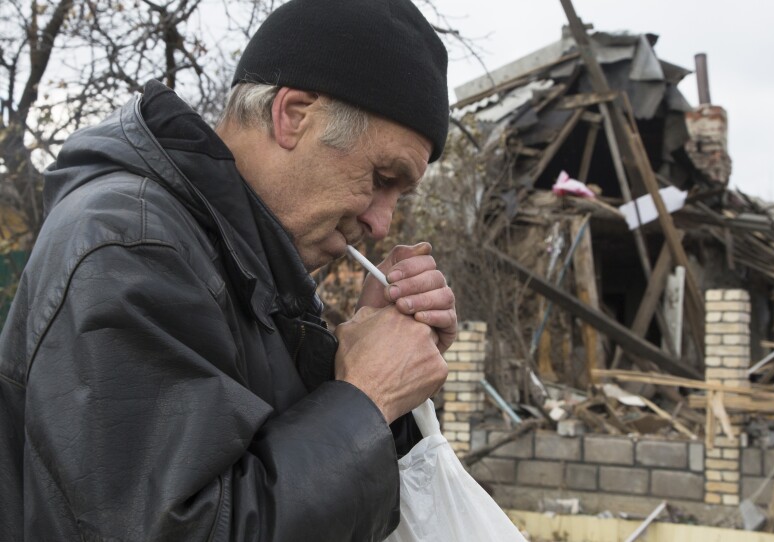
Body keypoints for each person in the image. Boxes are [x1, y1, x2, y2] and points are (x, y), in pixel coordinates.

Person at [0, 0, 456, 540]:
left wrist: (374, 365)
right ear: (293, 115)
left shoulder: (244, 263)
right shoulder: (133, 244)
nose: (382, 224)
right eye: (381, 177)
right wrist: (366, 398)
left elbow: (264, 467)